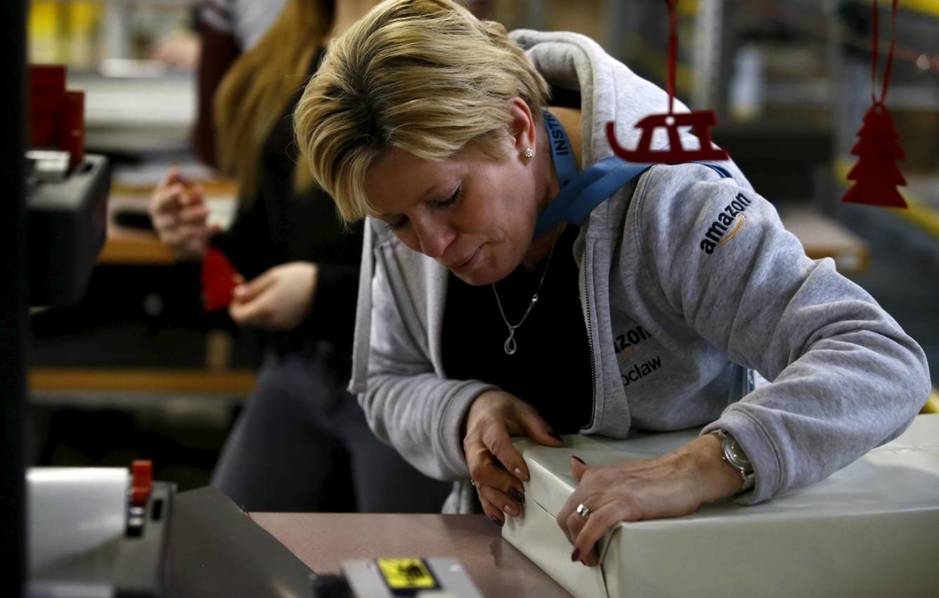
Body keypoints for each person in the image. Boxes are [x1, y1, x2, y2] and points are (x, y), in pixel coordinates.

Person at [292, 0, 931, 565]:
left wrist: (710, 463)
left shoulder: (671, 199)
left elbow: (880, 359)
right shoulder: (403, 181)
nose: (430, 245)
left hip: (689, 559)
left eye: (450, 198)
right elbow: (384, 380)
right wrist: (464, 410)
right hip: (522, 548)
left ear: (517, 129)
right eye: (397, 222)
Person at [148, 0, 451, 512]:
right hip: (299, 367)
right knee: (229, 558)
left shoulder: (425, 48)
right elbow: (269, 235)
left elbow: (452, 249)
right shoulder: (287, 52)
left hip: (405, 377)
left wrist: (320, 290)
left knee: (406, 575)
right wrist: (200, 246)